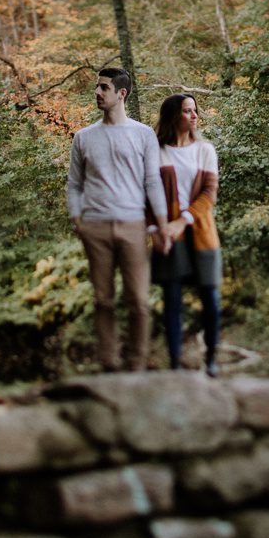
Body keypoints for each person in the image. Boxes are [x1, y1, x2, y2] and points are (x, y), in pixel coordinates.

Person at [66, 68, 168, 372]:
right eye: (97, 87)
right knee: (103, 299)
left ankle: (136, 363)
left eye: (104, 88)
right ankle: (109, 363)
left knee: (138, 299)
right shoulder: (84, 137)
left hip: (133, 225)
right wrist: (77, 220)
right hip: (95, 226)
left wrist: (162, 225)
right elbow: (74, 184)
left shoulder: (143, 134)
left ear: (121, 93)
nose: (97, 93)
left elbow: (153, 182)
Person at [152, 92, 223, 376]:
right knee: (172, 299)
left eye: (195, 110)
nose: (194, 115)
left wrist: (183, 220)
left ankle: (212, 361)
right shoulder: (157, 152)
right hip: (168, 234)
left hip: (202, 233)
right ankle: (174, 363)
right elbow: (149, 194)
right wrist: (155, 230)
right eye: (186, 111)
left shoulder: (205, 150)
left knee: (212, 299)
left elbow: (209, 194)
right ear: (172, 116)